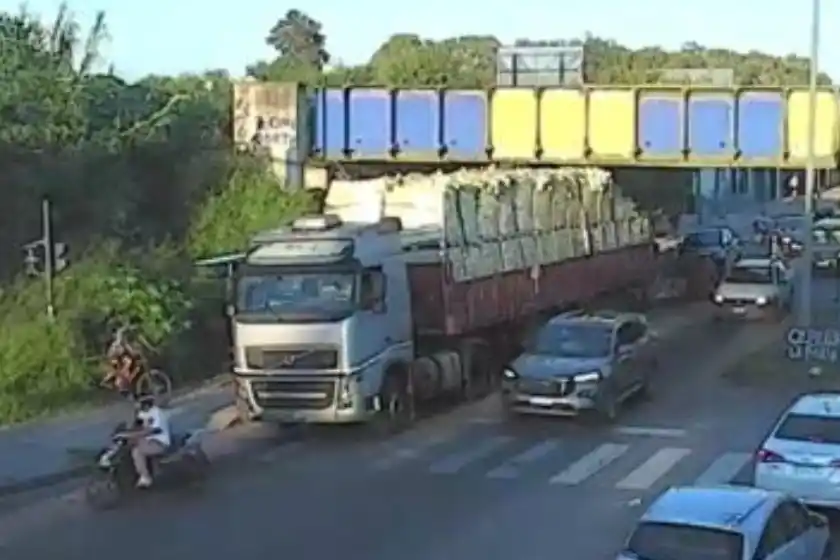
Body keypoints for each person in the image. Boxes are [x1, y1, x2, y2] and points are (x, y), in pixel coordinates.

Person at [130, 394, 171, 488]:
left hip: (159, 442)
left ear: (146, 404)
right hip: (149, 441)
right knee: (132, 443)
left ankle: (145, 477)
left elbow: (154, 430)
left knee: (137, 451)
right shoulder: (143, 414)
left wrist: (136, 435)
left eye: (139, 404)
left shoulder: (157, 413)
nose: (137, 405)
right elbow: (136, 425)